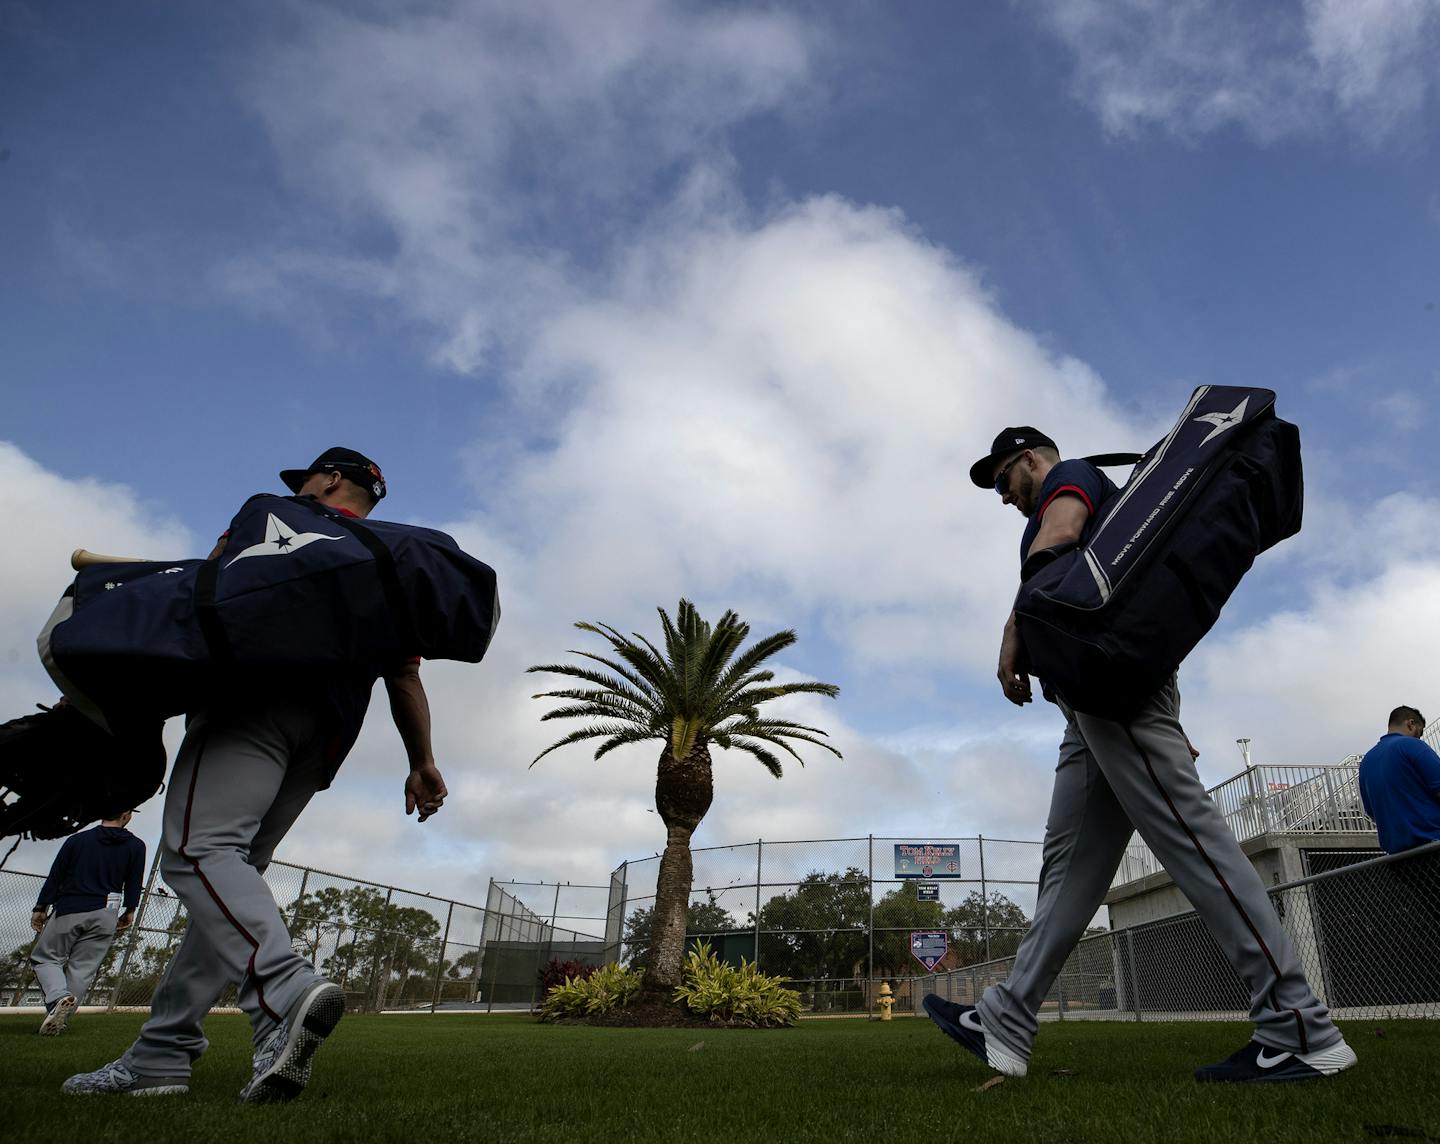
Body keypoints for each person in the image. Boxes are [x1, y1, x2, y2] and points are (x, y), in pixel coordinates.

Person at [922, 427, 1355, 1083]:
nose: (1005, 497)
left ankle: (1299, 1027)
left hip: (1113, 693)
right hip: (1092, 705)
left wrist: (1015, 624)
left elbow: (1060, 536)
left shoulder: (1069, 482)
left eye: (1006, 480)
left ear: (1032, 460)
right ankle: (1005, 1018)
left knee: (1194, 842)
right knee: (1070, 866)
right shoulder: (1088, 490)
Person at [64, 447, 448, 1102]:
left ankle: (284, 992)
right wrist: (422, 761)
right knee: (230, 885)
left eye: (309, 479)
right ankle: (161, 1053)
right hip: (324, 738)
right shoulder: (382, 560)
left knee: (197, 853)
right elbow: (405, 674)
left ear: (328, 480)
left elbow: (208, 591)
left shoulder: (275, 514)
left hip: (251, 706)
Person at [30, 809, 146, 1035]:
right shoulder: (136, 846)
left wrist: (41, 906)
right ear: (125, 815)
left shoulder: (77, 841)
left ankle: (58, 998)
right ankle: (59, 1020)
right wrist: (130, 910)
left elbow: (57, 875)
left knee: (46, 958)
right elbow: (134, 881)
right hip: (106, 914)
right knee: (82, 969)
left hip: (72, 907)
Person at [1358, 706, 1440, 854]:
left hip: (1397, 857)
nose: (1419, 738)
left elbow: (1372, 814)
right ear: (1411, 724)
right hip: (1433, 844)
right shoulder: (1412, 745)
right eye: (1419, 733)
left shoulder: (1366, 762)